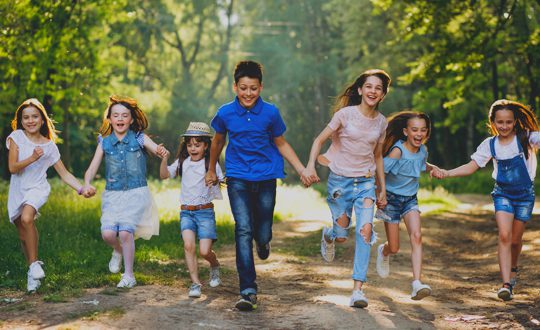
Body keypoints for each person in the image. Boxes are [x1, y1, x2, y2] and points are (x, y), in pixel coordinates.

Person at [205, 60, 310, 311]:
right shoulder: (226, 112)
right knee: (243, 229)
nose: (248, 93)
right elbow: (218, 141)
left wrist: (302, 169)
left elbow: (281, 143)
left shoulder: (271, 113)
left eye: (253, 88)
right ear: (235, 86)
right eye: (243, 88)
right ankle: (248, 290)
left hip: (266, 178)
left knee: (261, 230)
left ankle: (264, 242)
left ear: (260, 87)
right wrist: (211, 169)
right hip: (238, 177)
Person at [302, 69, 391, 308]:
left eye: (378, 88)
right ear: (361, 90)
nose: (373, 91)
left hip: (365, 183)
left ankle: (358, 290)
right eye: (369, 86)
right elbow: (319, 140)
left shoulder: (382, 122)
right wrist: (310, 165)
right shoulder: (345, 115)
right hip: (340, 183)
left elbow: (378, 155)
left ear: (383, 94)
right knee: (342, 236)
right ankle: (329, 235)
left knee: (365, 233)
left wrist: (381, 188)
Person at [436, 99, 540, 301]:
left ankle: (514, 268)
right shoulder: (489, 144)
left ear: (515, 121)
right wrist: (447, 173)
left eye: (508, 122)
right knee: (504, 235)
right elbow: (471, 166)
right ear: (493, 122)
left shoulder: (527, 138)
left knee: (516, 240)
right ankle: (506, 284)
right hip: (502, 194)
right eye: (500, 122)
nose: (504, 126)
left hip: (525, 195)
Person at [6, 98, 94, 292]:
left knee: (28, 218)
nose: (30, 120)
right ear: (21, 121)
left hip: (37, 188)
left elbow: (64, 174)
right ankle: (32, 269)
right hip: (18, 188)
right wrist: (32, 158)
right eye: (26, 117)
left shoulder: (49, 146)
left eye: (35, 116)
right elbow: (12, 168)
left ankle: (34, 265)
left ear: (42, 119)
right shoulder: (16, 137)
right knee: (22, 232)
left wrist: (81, 189)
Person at [83, 95, 167, 289]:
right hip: (113, 195)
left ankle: (129, 275)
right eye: (116, 115)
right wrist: (87, 183)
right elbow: (91, 168)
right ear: (110, 119)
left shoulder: (139, 138)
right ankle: (118, 250)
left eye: (124, 115)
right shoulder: (104, 143)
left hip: (136, 193)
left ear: (131, 119)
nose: (120, 119)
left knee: (126, 231)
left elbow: (158, 151)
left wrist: (163, 153)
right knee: (108, 234)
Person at [375, 111, 443, 300]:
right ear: (405, 131)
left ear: (427, 133)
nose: (419, 134)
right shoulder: (397, 151)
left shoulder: (423, 150)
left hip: (410, 200)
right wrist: (379, 195)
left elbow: (421, 163)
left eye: (423, 130)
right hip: (391, 200)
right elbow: (379, 170)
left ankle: (416, 283)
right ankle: (384, 250)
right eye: (414, 130)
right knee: (395, 247)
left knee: (417, 236)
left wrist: (433, 168)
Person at [160, 122, 224, 298]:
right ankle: (195, 283)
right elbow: (164, 175)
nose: (193, 148)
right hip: (186, 212)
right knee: (188, 246)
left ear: (206, 146)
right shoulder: (183, 162)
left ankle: (214, 265)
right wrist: (164, 159)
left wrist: (215, 180)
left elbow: (221, 179)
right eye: (189, 145)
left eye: (197, 144)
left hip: (205, 213)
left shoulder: (210, 164)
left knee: (205, 251)